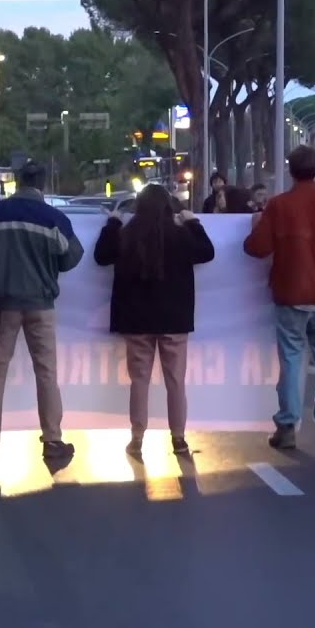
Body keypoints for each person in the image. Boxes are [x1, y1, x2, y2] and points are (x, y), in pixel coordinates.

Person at [0, 160, 83, 462]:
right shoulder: (54, 218)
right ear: (42, 184)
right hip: (41, 305)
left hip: (4, 305)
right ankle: (53, 441)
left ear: (16, 182)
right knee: (46, 372)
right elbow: (71, 258)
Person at [243, 145, 315, 450]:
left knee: (292, 361)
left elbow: (256, 248)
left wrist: (258, 224)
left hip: (290, 295)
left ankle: (288, 427)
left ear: (291, 171)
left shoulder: (280, 207)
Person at [93, 185, 216, 456]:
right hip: (174, 319)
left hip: (136, 321)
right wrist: (193, 221)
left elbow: (101, 255)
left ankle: (137, 437)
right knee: (176, 381)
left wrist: (112, 222)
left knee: (139, 381)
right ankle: (179, 438)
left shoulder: (127, 235)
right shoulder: (181, 236)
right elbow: (207, 252)